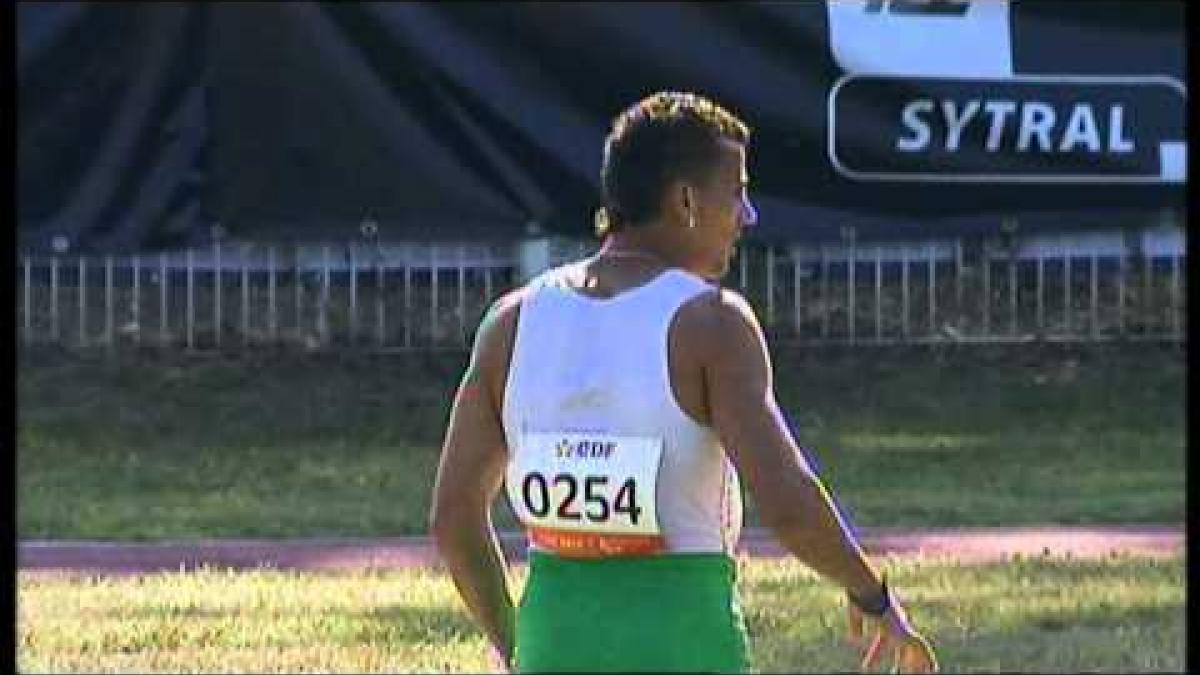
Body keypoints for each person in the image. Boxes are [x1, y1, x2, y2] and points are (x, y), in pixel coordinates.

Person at [430, 91, 938, 673]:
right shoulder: (711, 322)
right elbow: (786, 500)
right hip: (687, 646)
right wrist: (871, 593)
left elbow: (453, 515)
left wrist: (516, 643)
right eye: (739, 192)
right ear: (686, 201)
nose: (748, 215)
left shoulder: (512, 321)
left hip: (553, 645)